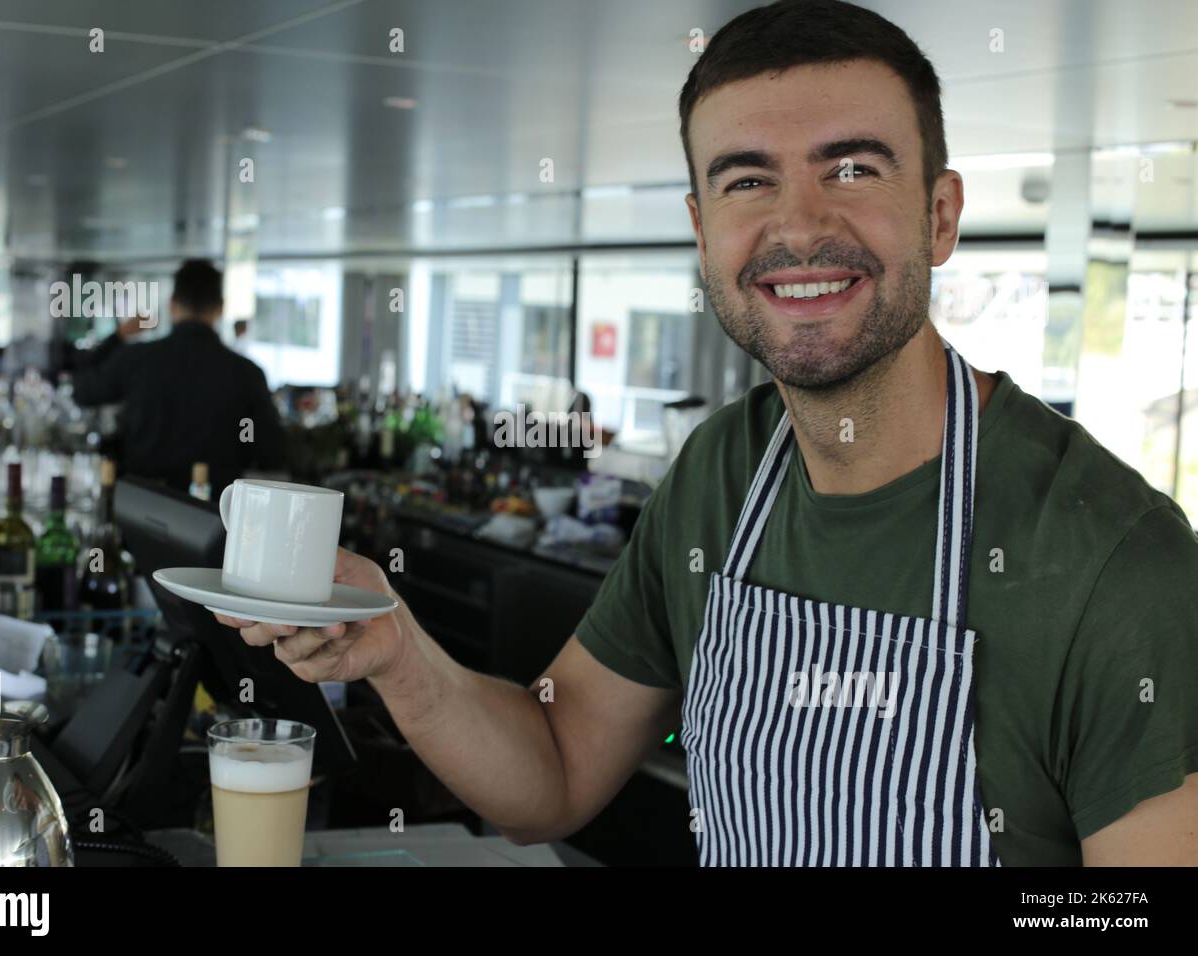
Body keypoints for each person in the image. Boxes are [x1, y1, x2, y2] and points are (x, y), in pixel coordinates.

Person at [215, 0, 1198, 866]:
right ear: (700, 228)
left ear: (939, 215)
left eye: (851, 167)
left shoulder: (1116, 560)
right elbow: (554, 771)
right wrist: (392, 647)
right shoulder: (721, 474)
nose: (799, 223)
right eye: (746, 181)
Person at [73, 259, 285, 497]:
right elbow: (267, 449)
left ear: (172, 305)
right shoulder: (246, 373)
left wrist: (119, 336)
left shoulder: (137, 360)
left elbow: (82, 390)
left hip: (142, 504)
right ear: (221, 308)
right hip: (214, 512)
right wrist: (240, 435)